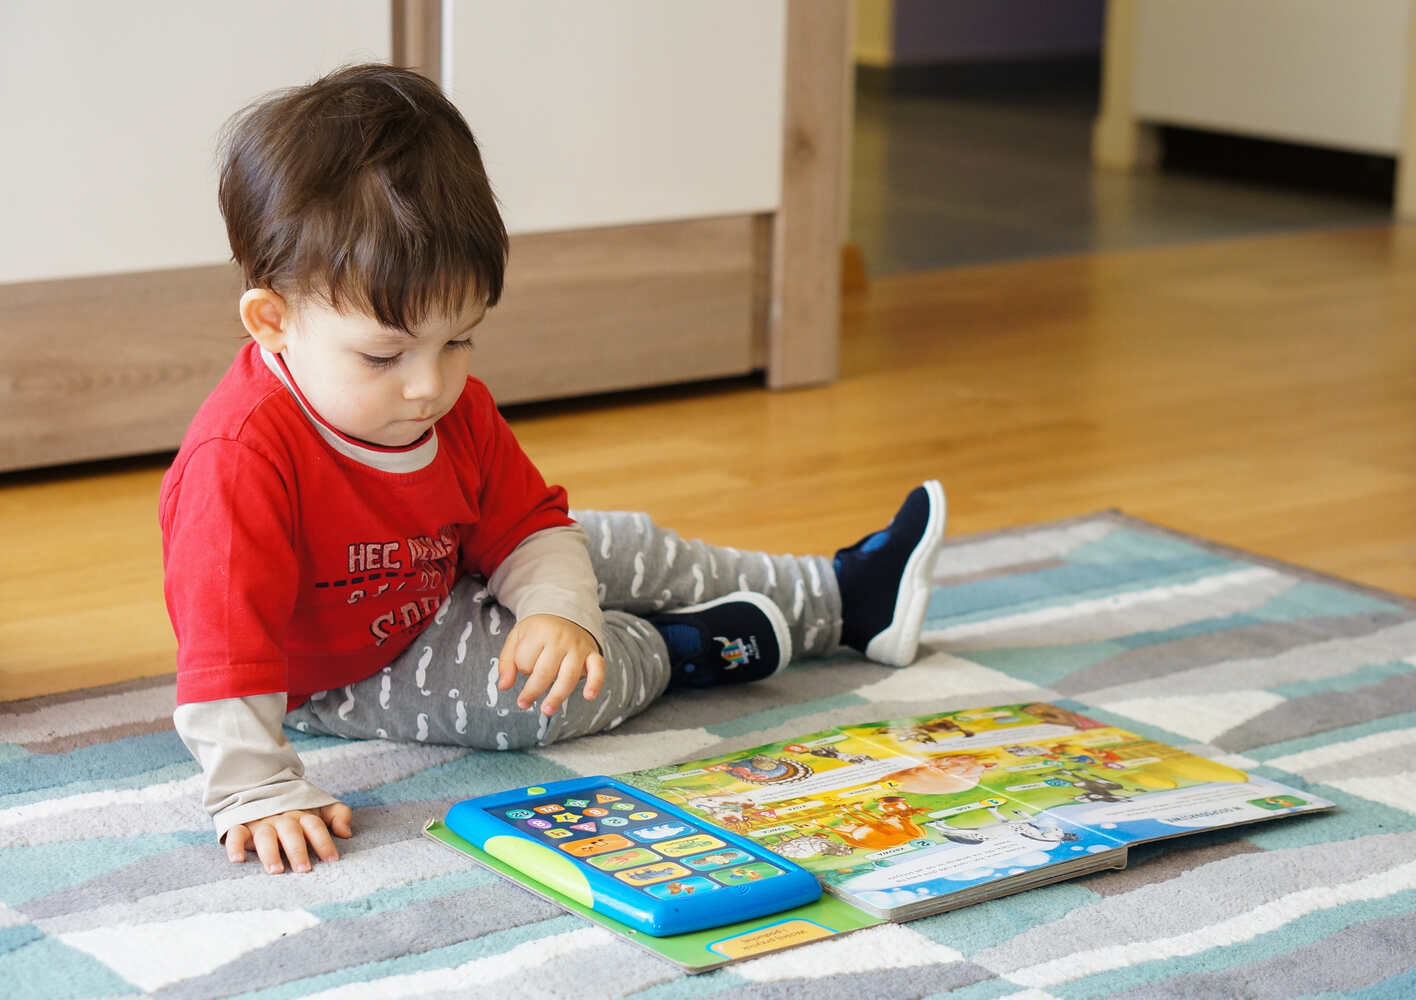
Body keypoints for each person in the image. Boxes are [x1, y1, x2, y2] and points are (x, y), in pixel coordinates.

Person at [160, 64, 948, 876]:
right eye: (384, 353)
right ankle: (684, 650)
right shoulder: (242, 458)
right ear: (273, 321)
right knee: (538, 700)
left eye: (458, 340)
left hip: (438, 580)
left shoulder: (445, 405)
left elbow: (531, 525)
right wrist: (257, 790)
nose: (430, 384)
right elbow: (225, 653)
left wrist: (560, 607)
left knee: (618, 546)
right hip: (342, 672)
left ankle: (845, 596)